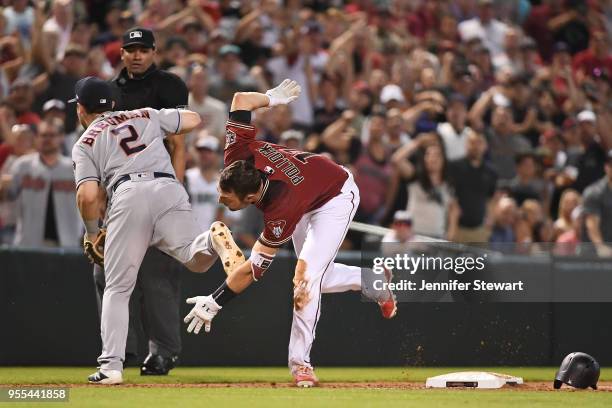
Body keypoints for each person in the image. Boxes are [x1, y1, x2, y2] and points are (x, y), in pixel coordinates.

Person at [182, 80, 396, 387]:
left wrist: (216, 301)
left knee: (305, 280)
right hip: (310, 190)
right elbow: (241, 99)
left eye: (227, 198)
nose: (220, 199)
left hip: (335, 196)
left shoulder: (281, 209)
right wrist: (270, 98)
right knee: (316, 276)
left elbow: (254, 270)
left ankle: (301, 364)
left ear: (251, 198)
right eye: (221, 190)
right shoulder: (236, 155)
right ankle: (372, 282)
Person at [70, 76, 244, 384]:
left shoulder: (85, 143)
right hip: (167, 186)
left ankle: (111, 366)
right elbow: (193, 118)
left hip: (128, 194)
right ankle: (212, 237)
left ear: (81, 109)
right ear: (112, 104)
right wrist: (161, 121)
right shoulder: (145, 113)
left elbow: (87, 196)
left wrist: (90, 231)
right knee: (195, 258)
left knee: (118, 287)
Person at [103, 27, 190, 375]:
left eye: (143, 49)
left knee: (158, 271)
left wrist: (175, 190)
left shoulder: (170, 86)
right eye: (131, 49)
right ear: (122, 53)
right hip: (120, 189)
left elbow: (179, 144)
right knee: (106, 272)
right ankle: (119, 351)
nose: (137, 55)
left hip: (160, 184)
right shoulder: (109, 91)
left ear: (154, 52)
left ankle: (163, 352)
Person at [0, 119, 80, 247]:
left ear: (61, 137)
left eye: (51, 135)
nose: (47, 139)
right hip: (29, 241)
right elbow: (6, 197)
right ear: (36, 138)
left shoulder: (74, 168)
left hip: (67, 241)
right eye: (43, 135)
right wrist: (3, 187)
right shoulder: (22, 165)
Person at [448, 131, 497, 243]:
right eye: (472, 142)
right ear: (466, 144)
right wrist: (452, 226)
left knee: (480, 260)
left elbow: (491, 199)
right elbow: (449, 196)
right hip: (457, 229)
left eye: (479, 142)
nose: (475, 146)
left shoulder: (491, 172)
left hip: (480, 230)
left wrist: (490, 221)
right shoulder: (454, 167)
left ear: (485, 146)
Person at [185, 136, 223, 231]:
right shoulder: (187, 177)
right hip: (188, 237)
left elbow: (230, 216)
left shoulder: (223, 182)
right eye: (201, 151)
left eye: (209, 152)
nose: (204, 155)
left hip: (213, 239)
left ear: (218, 155)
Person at [582, 151, 612, 257]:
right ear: (606, 167)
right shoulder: (594, 192)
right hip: (596, 255)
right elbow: (592, 224)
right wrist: (601, 247)